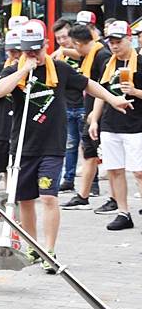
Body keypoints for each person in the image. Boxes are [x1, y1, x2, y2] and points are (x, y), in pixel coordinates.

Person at [0, 20, 132, 273]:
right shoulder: (13, 69)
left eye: (37, 49)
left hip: (52, 146)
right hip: (23, 146)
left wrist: (112, 99)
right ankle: (32, 246)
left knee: (47, 196)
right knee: (25, 200)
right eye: (28, 50)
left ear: (46, 44)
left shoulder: (60, 69)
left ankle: (49, 250)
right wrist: (24, 71)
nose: (33, 54)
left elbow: (88, 84)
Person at [88, 21, 142, 229]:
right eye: (111, 42)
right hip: (111, 124)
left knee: (138, 171)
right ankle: (123, 212)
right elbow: (101, 93)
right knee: (114, 169)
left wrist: (136, 92)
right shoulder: (108, 63)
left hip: (136, 124)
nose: (115, 46)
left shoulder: (140, 61)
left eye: (119, 41)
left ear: (130, 39)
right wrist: (94, 119)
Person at [61, 24, 112, 211]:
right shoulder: (90, 53)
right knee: (89, 153)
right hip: (89, 111)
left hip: (99, 114)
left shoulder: (102, 56)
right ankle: (83, 196)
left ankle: (113, 198)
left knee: (108, 157)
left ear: (78, 43)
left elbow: (105, 87)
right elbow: (75, 54)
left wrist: (95, 114)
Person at [52, 18, 86, 192]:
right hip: (67, 106)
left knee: (87, 147)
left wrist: (63, 50)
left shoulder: (83, 50)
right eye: (58, 39)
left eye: (64, 37)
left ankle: (92, 185)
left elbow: (81, 55)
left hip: (84, 105)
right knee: (70, 145)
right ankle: (68, 180)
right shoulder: (60, 55)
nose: (62, 41)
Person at [0, 28, 22, 191]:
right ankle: (6, 188)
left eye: (19, 51)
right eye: (12, 51)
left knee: (17, 162)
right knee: (2, 161)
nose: (15, 55)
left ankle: (13, 193)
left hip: (21, 120)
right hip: (2, 121)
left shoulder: (30, 69)